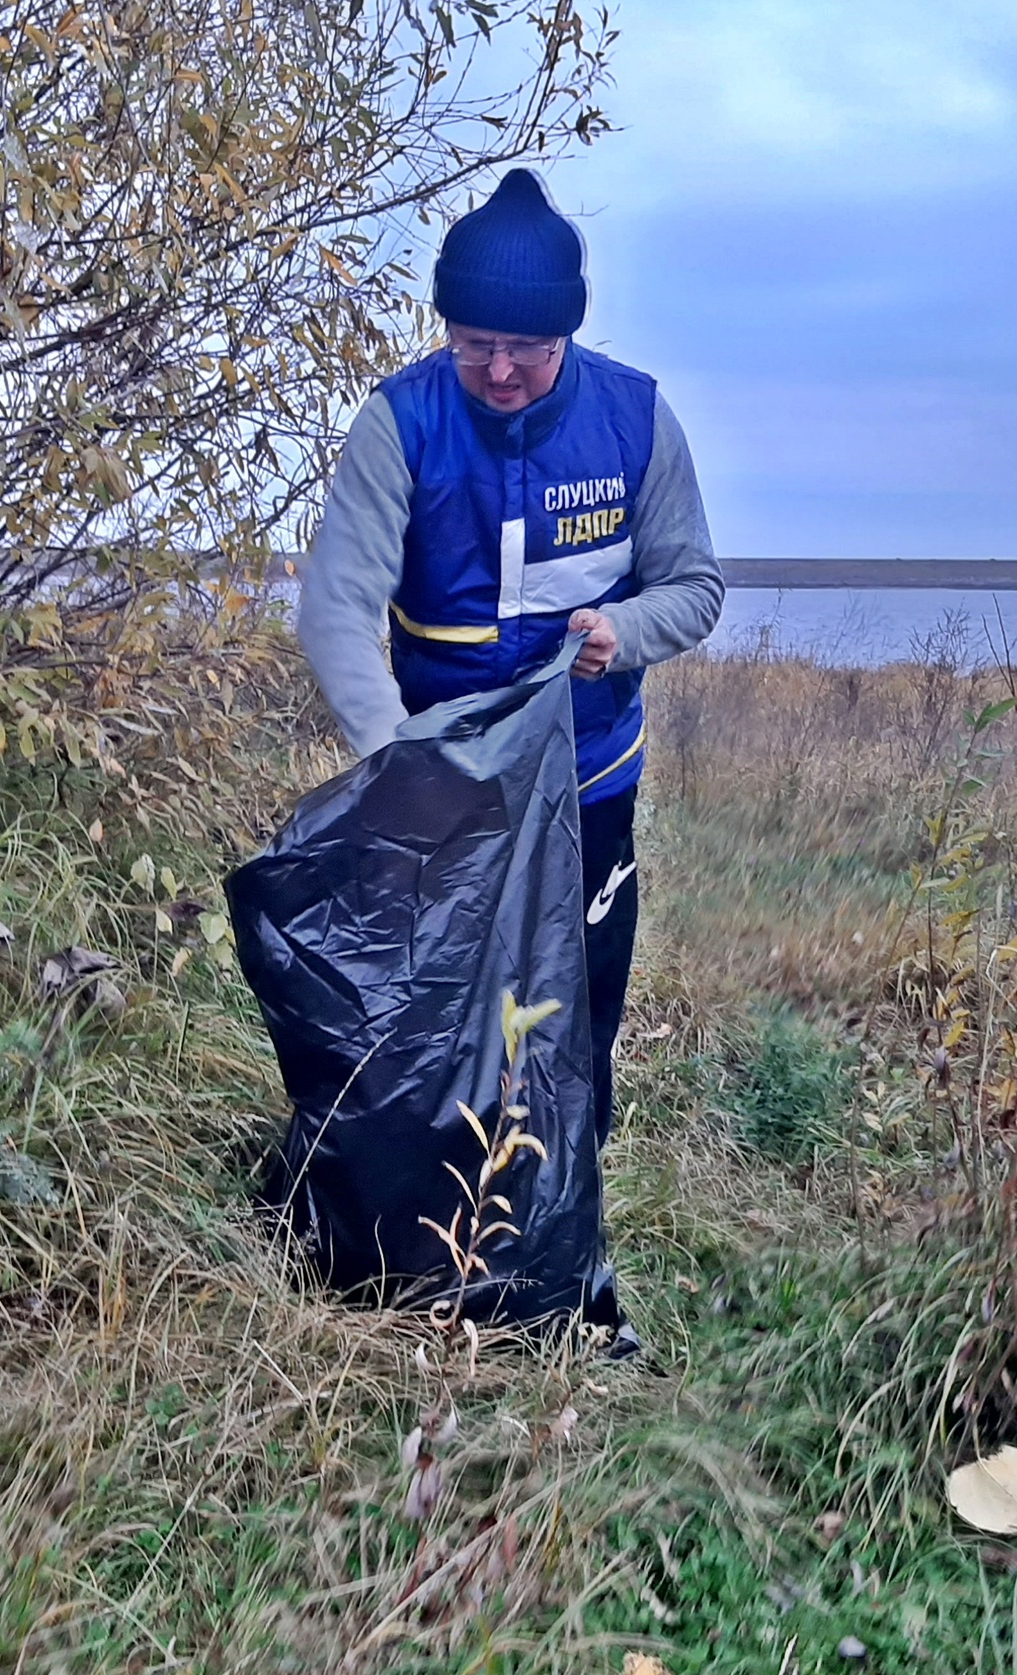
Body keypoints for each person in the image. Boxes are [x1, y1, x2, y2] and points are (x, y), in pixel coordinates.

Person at [294, 167, 724, 1357]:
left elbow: (694, 588)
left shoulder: (637, 420)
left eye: (523, 349)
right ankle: (406, 1264)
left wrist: (623, 632)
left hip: (588, 796)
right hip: (437, 804)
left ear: (566, 335)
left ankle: (566, 1283)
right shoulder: (400, 423)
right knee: (429, 1034)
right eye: (473, 342)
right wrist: (400, 762)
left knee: (570, 1041)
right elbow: (336, 611)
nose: (495, 370)